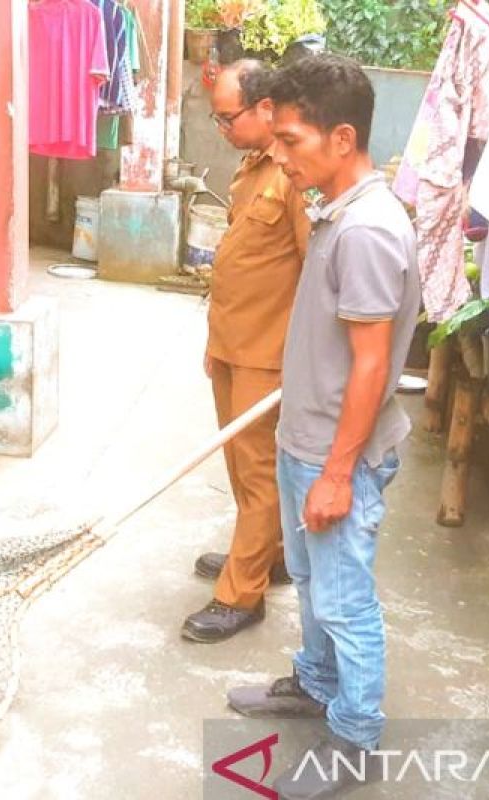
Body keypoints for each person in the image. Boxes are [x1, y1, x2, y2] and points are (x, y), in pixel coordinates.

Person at [225, 55, 421, 799]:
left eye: (293, 140)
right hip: (303, 441)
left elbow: (372, 365)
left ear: (344, 138)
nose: (280, 154)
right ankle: (314, 685)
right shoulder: (336, 209)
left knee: (343, 599)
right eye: (275, 137)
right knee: (310, 584)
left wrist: (339, 472)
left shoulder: (368, 229)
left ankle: (355, 736)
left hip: (337, 455)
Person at [182, 60, 310, 644]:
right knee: (239, 466)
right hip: (231, 344)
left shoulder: (293, 178)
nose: (222, 127)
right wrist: (215, 345)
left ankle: (242, 594)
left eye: (227, 116)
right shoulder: (251, 168)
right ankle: (266, 555)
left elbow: (313, 273)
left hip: (266, 354)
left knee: (257, 474)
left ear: (265, 108)